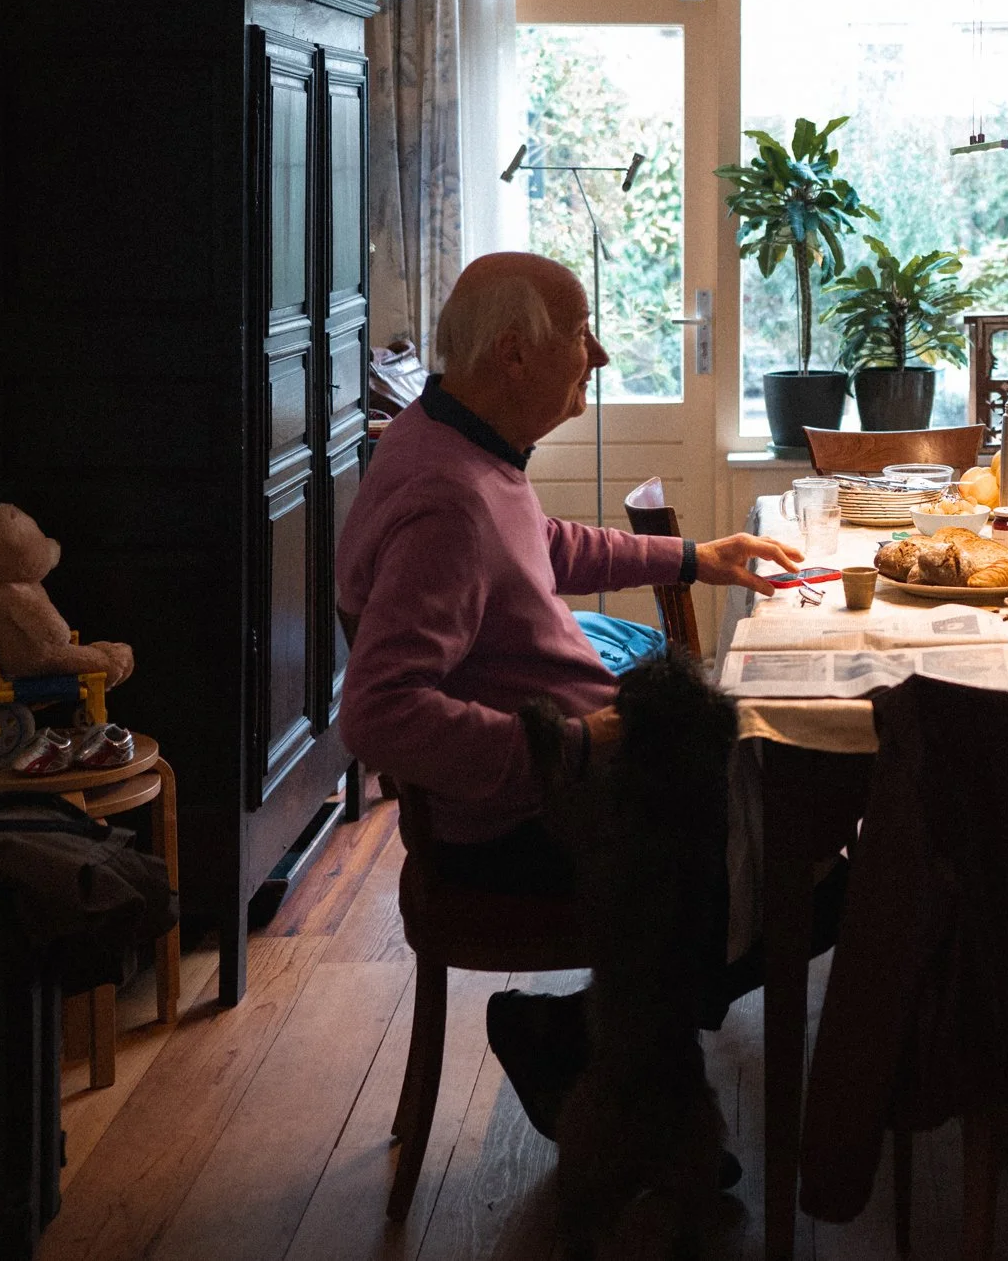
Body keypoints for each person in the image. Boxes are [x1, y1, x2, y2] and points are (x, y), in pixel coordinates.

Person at [336, 251, 803, 1146]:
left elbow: (541, 545)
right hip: (532, 822)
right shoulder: (448, 497)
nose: (599, 353)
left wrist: (693, 556)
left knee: (769, 813)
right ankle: (611, 1066)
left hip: (568, 786)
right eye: (582, 332)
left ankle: (601, 1054)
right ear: (514, 354)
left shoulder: (452, 440)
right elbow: (380, 713)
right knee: (793, 857)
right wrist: (578, 742)